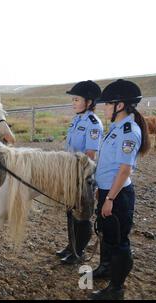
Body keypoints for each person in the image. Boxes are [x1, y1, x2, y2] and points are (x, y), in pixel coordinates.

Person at [89, 79, 150, 300]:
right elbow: (109, 164)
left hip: (118, 195)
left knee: (119, 241)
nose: (104, 107)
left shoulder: (127, 131)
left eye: (108, 104)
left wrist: (110, 198)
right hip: (108, 191)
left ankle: (116, 289)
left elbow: (124, 170)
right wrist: (102, 189)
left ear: (120, 105)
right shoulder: (116, 128)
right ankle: (106, 268)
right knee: (107, 235)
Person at [56, 80, 103, 264]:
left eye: (77, 99)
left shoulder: (93, 124)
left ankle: (80, 252)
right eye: (73, 99)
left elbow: (90, 154)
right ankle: (71, 247)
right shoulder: (77, 120)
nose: (73, 102)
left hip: (82, 176)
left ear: (89, 102)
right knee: (71, 212)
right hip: (71, 173)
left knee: (82, 215)